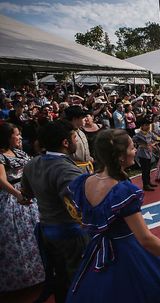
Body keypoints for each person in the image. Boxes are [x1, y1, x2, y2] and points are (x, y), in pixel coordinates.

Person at [64, 129, 160, 303]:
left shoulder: (84, 182)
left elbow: (85, 221)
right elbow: (145, 238)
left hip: (97, 252)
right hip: (128, 254)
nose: (135, 151)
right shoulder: (122, 191)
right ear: (120, 156)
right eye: (132, 147)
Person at [21, 120, 88, 303]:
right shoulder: (66, 169)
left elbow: (25, 195)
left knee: (60, 276)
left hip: (47, 230)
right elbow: (79, 202)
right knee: (80, 277)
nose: (77, 141)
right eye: (74, 137)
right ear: (66, 142)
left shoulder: (32, 163)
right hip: (70, 233)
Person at [0, 122, 46, 292]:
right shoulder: (1, 156)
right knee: (17, 237)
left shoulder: (19, 152)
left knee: (36, 234)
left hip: (28, 194)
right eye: (16, 134)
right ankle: (24, 277)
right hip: (11, 200)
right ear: (6, 137)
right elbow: (2, 180)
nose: (19, 137)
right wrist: (18, 194)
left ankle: (41, 271)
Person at [64, 106, 94, 174]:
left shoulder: (81, 132)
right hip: (74, 170)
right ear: (75, 119)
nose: (85, 119)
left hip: (87, 169)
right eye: (83, 117)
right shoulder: (67, 134)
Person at [133, 119, 159, 191]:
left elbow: (156, 138)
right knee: (144, 170)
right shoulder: (138, 134)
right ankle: (145, 185)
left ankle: (148, 182)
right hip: (142, 154)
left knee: (148, 169)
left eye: (148, 125)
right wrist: (138, 144)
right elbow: (133, 140)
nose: (148, 127)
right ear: (142, 126)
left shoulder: (149, 133)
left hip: (149, 153)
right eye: (146, 125)